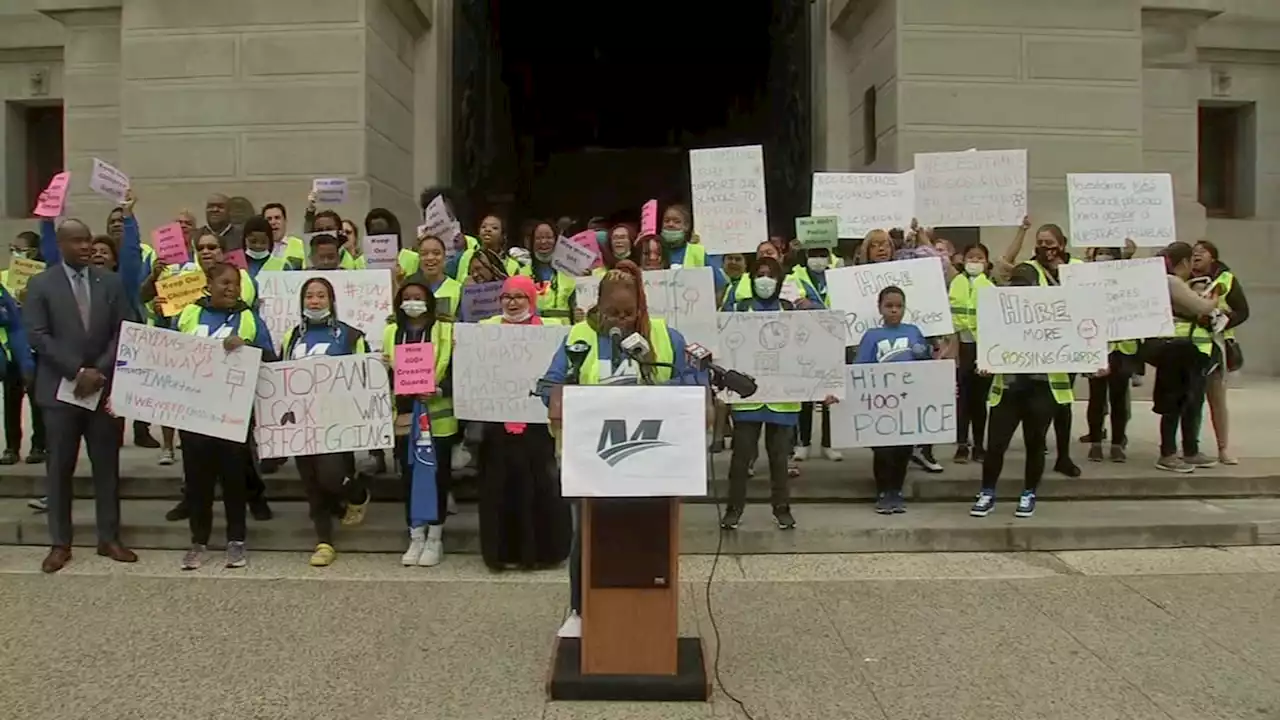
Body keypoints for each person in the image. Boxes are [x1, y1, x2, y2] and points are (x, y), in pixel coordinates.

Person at [539, 259, 705, 639]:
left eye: (629, 313)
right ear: (597, 307)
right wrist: (573, 397)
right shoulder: (577, 337)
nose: (621, 320)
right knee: (587, 535)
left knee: (650, 535)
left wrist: (650, 372)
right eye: (613, 313)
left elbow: (693, 385)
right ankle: (580, 611)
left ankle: (651, 612)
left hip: (653, 457)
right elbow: (550, 387)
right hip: (591, 459)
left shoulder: (666, 337)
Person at [24, 219, 136, 573]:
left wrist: (99, 371)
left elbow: (123, 329)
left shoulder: (110, 282)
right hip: (60, 391)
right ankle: (60, 542)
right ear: (60, 244)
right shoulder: (41, 284)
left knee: (107, 466)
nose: (86, 246)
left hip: (100, 391)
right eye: (77, 241)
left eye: (88, 240)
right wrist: (76, 371)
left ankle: (109, 537)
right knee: (59, 468)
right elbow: (38, 336)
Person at [175, 263, 275, 570]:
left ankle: (236, 540)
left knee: (233, 480)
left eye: (235, 284)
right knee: (197, 481)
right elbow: (169, 353)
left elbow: (270, 359)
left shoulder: (249, 318)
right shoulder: (189, 314)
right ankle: (199, 540)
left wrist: (247, 348)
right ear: (209, 284)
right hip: (194, 413)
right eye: (224, 282)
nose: (230, 288)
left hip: (233, 414)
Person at [476, 275, 571, 570]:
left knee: (538, 486)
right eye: (507, 297)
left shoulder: (550, 332)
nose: (513, 302)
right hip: (497, 421)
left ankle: (541, 552)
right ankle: (501, 553)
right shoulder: (484, 330)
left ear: (532, 299)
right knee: (498, 488)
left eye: (520, 297)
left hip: (536, 422)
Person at [721, 256, 820, 532]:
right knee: (740, 459)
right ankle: (733, 510)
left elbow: (817, 337)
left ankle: (782, 510)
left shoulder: (789, 310)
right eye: (759, 274)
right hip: (747, 399)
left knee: (779, 461)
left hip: (783, 401)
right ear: (751, 279)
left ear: (779, 281)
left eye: (770, 275)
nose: (764, 280)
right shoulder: (739, 309)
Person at [969, 272, 1079, 520]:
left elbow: (1073, 345)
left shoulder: (1051, 315)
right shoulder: (997, 317)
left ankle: (1029, 493)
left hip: (1041, 390)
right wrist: (984, 364)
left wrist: (1092, 364)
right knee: (996, 445)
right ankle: (987, 492)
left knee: (1035, 443)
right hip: (1007, 390)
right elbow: (987, 347)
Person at [280, 277, 373, 566]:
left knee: (331, 477)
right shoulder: (292, 336)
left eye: (321, 296)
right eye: (310, 296)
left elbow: (364, 376)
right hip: (301, 421)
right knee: (311, 482)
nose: (315, 301)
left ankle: (357, 492)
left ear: (332, 301)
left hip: (337, 419)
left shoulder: (350, 336)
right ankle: (324, 542)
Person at [384, 273, 457, 567]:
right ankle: (415, 535)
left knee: (437, 477)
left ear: (429, 300)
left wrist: (439, 389)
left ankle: (435, 537)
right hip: (403, 416)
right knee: (409, 477)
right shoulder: (391, 332)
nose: (413, 303)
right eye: (407, 298)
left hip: (438, 416)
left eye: (418, 297)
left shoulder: (445, 330)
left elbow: (459, 370)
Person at [1010, 222, 1083, 478]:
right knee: (1039, 403)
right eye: (1040, 243)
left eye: (1049, 243)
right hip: (1039, 346)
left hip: (1068, 346)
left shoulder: (1078, 269)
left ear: (1062, 244)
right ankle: (1038, 448)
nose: (1044, 247)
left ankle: (1063, 456)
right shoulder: (1029, 269)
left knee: (1063, 403)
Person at [854, 285, 931, 512]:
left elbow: (926, 365)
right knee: (883, 450)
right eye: (889, 306)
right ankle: (883, 490)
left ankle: (896, 489)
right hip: (880, 405)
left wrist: (925, 352)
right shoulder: (872, 336)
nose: (894, 310)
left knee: (903, 449)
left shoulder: (913, 331)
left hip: (907, 403)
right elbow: (860, 368)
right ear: (880, 308)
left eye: (899, 306)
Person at [1152, 242, 1222, 473]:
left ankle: (1190, 450)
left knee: (1191, 401)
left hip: (1185, 351)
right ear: (1184, 262)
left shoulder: (1166, 280)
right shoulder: (1172, 281)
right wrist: (1214, 300)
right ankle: (1168, 453)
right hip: (1175, 351)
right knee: (1175, 402)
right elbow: (1200, 306)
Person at [1082, 246, 1141, 463]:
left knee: (1119, 399)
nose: (1103, 256)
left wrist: (1129, 255)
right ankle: (1096, 443)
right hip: (1097, 347)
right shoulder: (1089, 280)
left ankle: (1117, 444)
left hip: (1123, 349)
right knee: (1096, 398)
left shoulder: (1125, 279)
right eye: (1100, 253)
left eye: (1107, 252)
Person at [1192, 240, 1248, 465]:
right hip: (1189, 346)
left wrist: (1225, 318)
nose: (1197, 255)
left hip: (1216, 346)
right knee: (1190, 400)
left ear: (1212, 258)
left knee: (1217, 400)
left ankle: (1223, 448)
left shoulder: (1226, 279)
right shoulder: (1182, 278)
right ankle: (1190, 447)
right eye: (1194, 252)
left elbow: (1243, 311)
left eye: (1201, 252)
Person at [790, 246, 840, 462]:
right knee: (806, 394)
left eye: (822, 254)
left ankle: (829, 443)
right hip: (804, 339)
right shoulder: (795, 276)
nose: (818, 259)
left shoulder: (840, 275)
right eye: (813, 255)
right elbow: (793, 302)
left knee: (831, 393)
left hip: (834, 338)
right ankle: (804, 443)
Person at [3, 231, 46, 468]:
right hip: (12, 350)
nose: (16, 253)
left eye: (21, 249)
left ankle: (39, 444)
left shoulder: (42, 278)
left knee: (38, 399)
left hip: (37, 348)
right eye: (13, 248)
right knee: (11, 399)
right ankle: (11, 447)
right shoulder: (4, 278)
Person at [950, 243, 995, 464]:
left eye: (979, 258)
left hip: (982, 348)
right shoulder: (955, 282)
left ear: (986, 262)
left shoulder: (990, 286)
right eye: (971, 257)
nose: (974, 262)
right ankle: (961, 445)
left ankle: (979, 445)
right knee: (962, 401)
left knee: (979, 401)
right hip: (961, 347)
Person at [521, 221, 576, 324]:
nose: (544, 242)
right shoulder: (522, 273)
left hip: (563, 331)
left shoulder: (570, 273)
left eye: (549, 237)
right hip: (531, 330)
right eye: (539, 238)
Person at [261, 202, 308, 268]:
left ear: (285, 221)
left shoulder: (300, 244)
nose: (273, 222)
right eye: (269, 219)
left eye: (277, 218)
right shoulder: (258, 248)